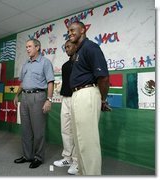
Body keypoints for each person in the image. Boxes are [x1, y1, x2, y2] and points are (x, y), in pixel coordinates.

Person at [67, 21, 110, 175]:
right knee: (80, 141)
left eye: (73, 30)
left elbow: (103, 78)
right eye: (68, 31)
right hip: (77, 95)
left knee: (88, 142)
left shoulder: (91, 47)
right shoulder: (78, 51)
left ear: (83, 29)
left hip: (87, 93)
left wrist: (102, 100)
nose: (70, 33)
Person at [13, 39, 55, 169]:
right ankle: (27, 156)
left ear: (37, 47)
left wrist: (49, 100)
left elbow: (50, 82)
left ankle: (38, 157)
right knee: (26, 129)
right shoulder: (26, 64)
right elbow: (22, 82)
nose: (27, 49)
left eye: (29, 46)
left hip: (38, 97)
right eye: (26, 47)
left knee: (38, 130)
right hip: (24, 97)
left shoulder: (45, 62)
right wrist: (17, 94)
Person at [53, 40, 79, 175]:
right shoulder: (65, 65)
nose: (67, 49)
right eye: (65, 47)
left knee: (76, 131)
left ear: (76, 46)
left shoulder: (82, 62)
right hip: (66, 99)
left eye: (69, 46)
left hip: (78, 98)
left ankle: (76, 161)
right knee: (65, 130)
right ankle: (67, 158)